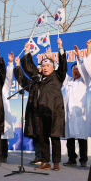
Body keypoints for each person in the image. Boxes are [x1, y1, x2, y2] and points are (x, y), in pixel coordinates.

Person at [21, 38, 67, 171]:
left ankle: (56, 162)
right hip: (39, 112)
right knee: (42, 138)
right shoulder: (39, 78)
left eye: (48, 66)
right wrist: (27, 51)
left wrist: (60, 47)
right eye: (44, 66)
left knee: (54, 137)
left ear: (53, 67)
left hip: (54, 112)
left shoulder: (58, 76)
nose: (45, 68)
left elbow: (63, 66)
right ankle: (45, 162)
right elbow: (29, 68)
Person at [62, 44, 91, 167]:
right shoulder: (69, 81)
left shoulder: (84, 80)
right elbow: (60, 72)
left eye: (77, 69)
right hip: (69, 113)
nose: (75, 71)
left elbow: (85, 68)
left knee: (82, 138)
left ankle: (83, 159)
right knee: (70, 138)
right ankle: (72, 158)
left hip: (80, 113)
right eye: (73, 69)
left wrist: (79, 57)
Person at [14, 57, 44, 166]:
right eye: (39, 67)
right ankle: (38, 156)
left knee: (42, 135)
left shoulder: (47, 81)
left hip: (43, 112)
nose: (40, 69)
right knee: (35, 133)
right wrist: (17, 66)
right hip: (33, 111)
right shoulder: (33, 83)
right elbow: (22, 80)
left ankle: (45, 157)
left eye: (42, 67)